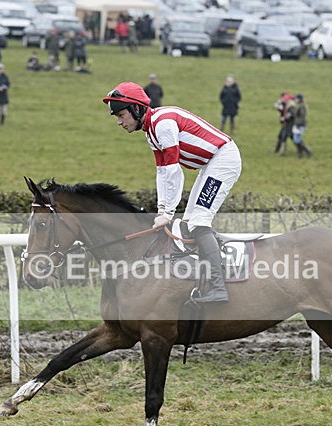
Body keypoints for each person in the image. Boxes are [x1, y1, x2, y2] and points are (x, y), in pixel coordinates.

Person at [102, 81, 242, 304]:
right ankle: (210, 274)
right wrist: (161, 210)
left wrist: (168, 212)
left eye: (121, 115)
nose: (119, 122)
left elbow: (174, 172)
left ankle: (219, 287)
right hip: (211, 163)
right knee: (189, 223)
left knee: (198, 222)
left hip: (223, 160)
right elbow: (162, 173)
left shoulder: (162, 125)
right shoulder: (151, 131)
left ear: (136, 109)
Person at [292, 93, 313, 158]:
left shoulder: (302, 106)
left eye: (296, 98)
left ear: (300, 99)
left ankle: (307, 151)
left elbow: (302, 116)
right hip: (297, 125)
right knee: (296, 140)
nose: (295, 100)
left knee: (297, 140)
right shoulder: (298, 106)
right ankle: (301, 153)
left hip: (300, 125)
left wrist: (298, 124)